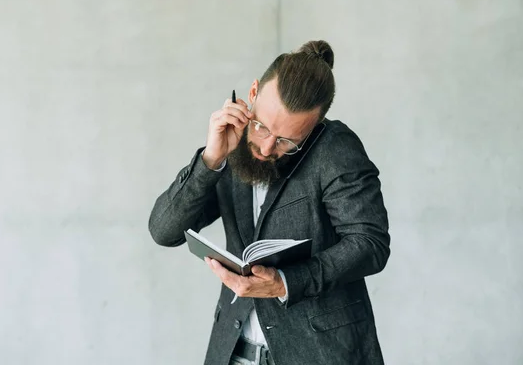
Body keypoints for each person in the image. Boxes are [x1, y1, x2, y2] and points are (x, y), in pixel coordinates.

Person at [149, 40, 390, 365]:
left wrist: (286, 283)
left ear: (314, 127)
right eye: (261, 126)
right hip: (235, 352)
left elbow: (370, 243)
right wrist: (210, 161)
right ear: (252, 93)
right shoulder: (231, 142)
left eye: (287, 140)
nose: (265, 147)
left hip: (320, 355)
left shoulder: (336, 150)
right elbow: (164, 231)